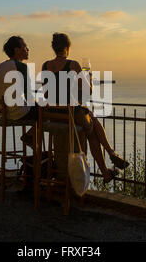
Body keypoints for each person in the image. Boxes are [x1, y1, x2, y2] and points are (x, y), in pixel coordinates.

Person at [41, 33, 129, 184]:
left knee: (92, 128)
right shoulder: (73, 65)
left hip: (54, 114)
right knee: (93, 127)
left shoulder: (45, 65)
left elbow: (47, 93)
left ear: (54, 48)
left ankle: (107, 172)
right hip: (71, 114)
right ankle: (111, 153)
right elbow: (88, 92)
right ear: (68, 48)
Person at [0, 35, 38, 121]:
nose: (28, 49)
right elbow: (28, 95)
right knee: (46, 112)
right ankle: (29, 135)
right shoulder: (21, 66)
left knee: (39, 112)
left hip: (3, 112)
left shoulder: (0, 66)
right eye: (25, 47)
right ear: (17, 50)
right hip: (17, 113)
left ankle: (28, 135)